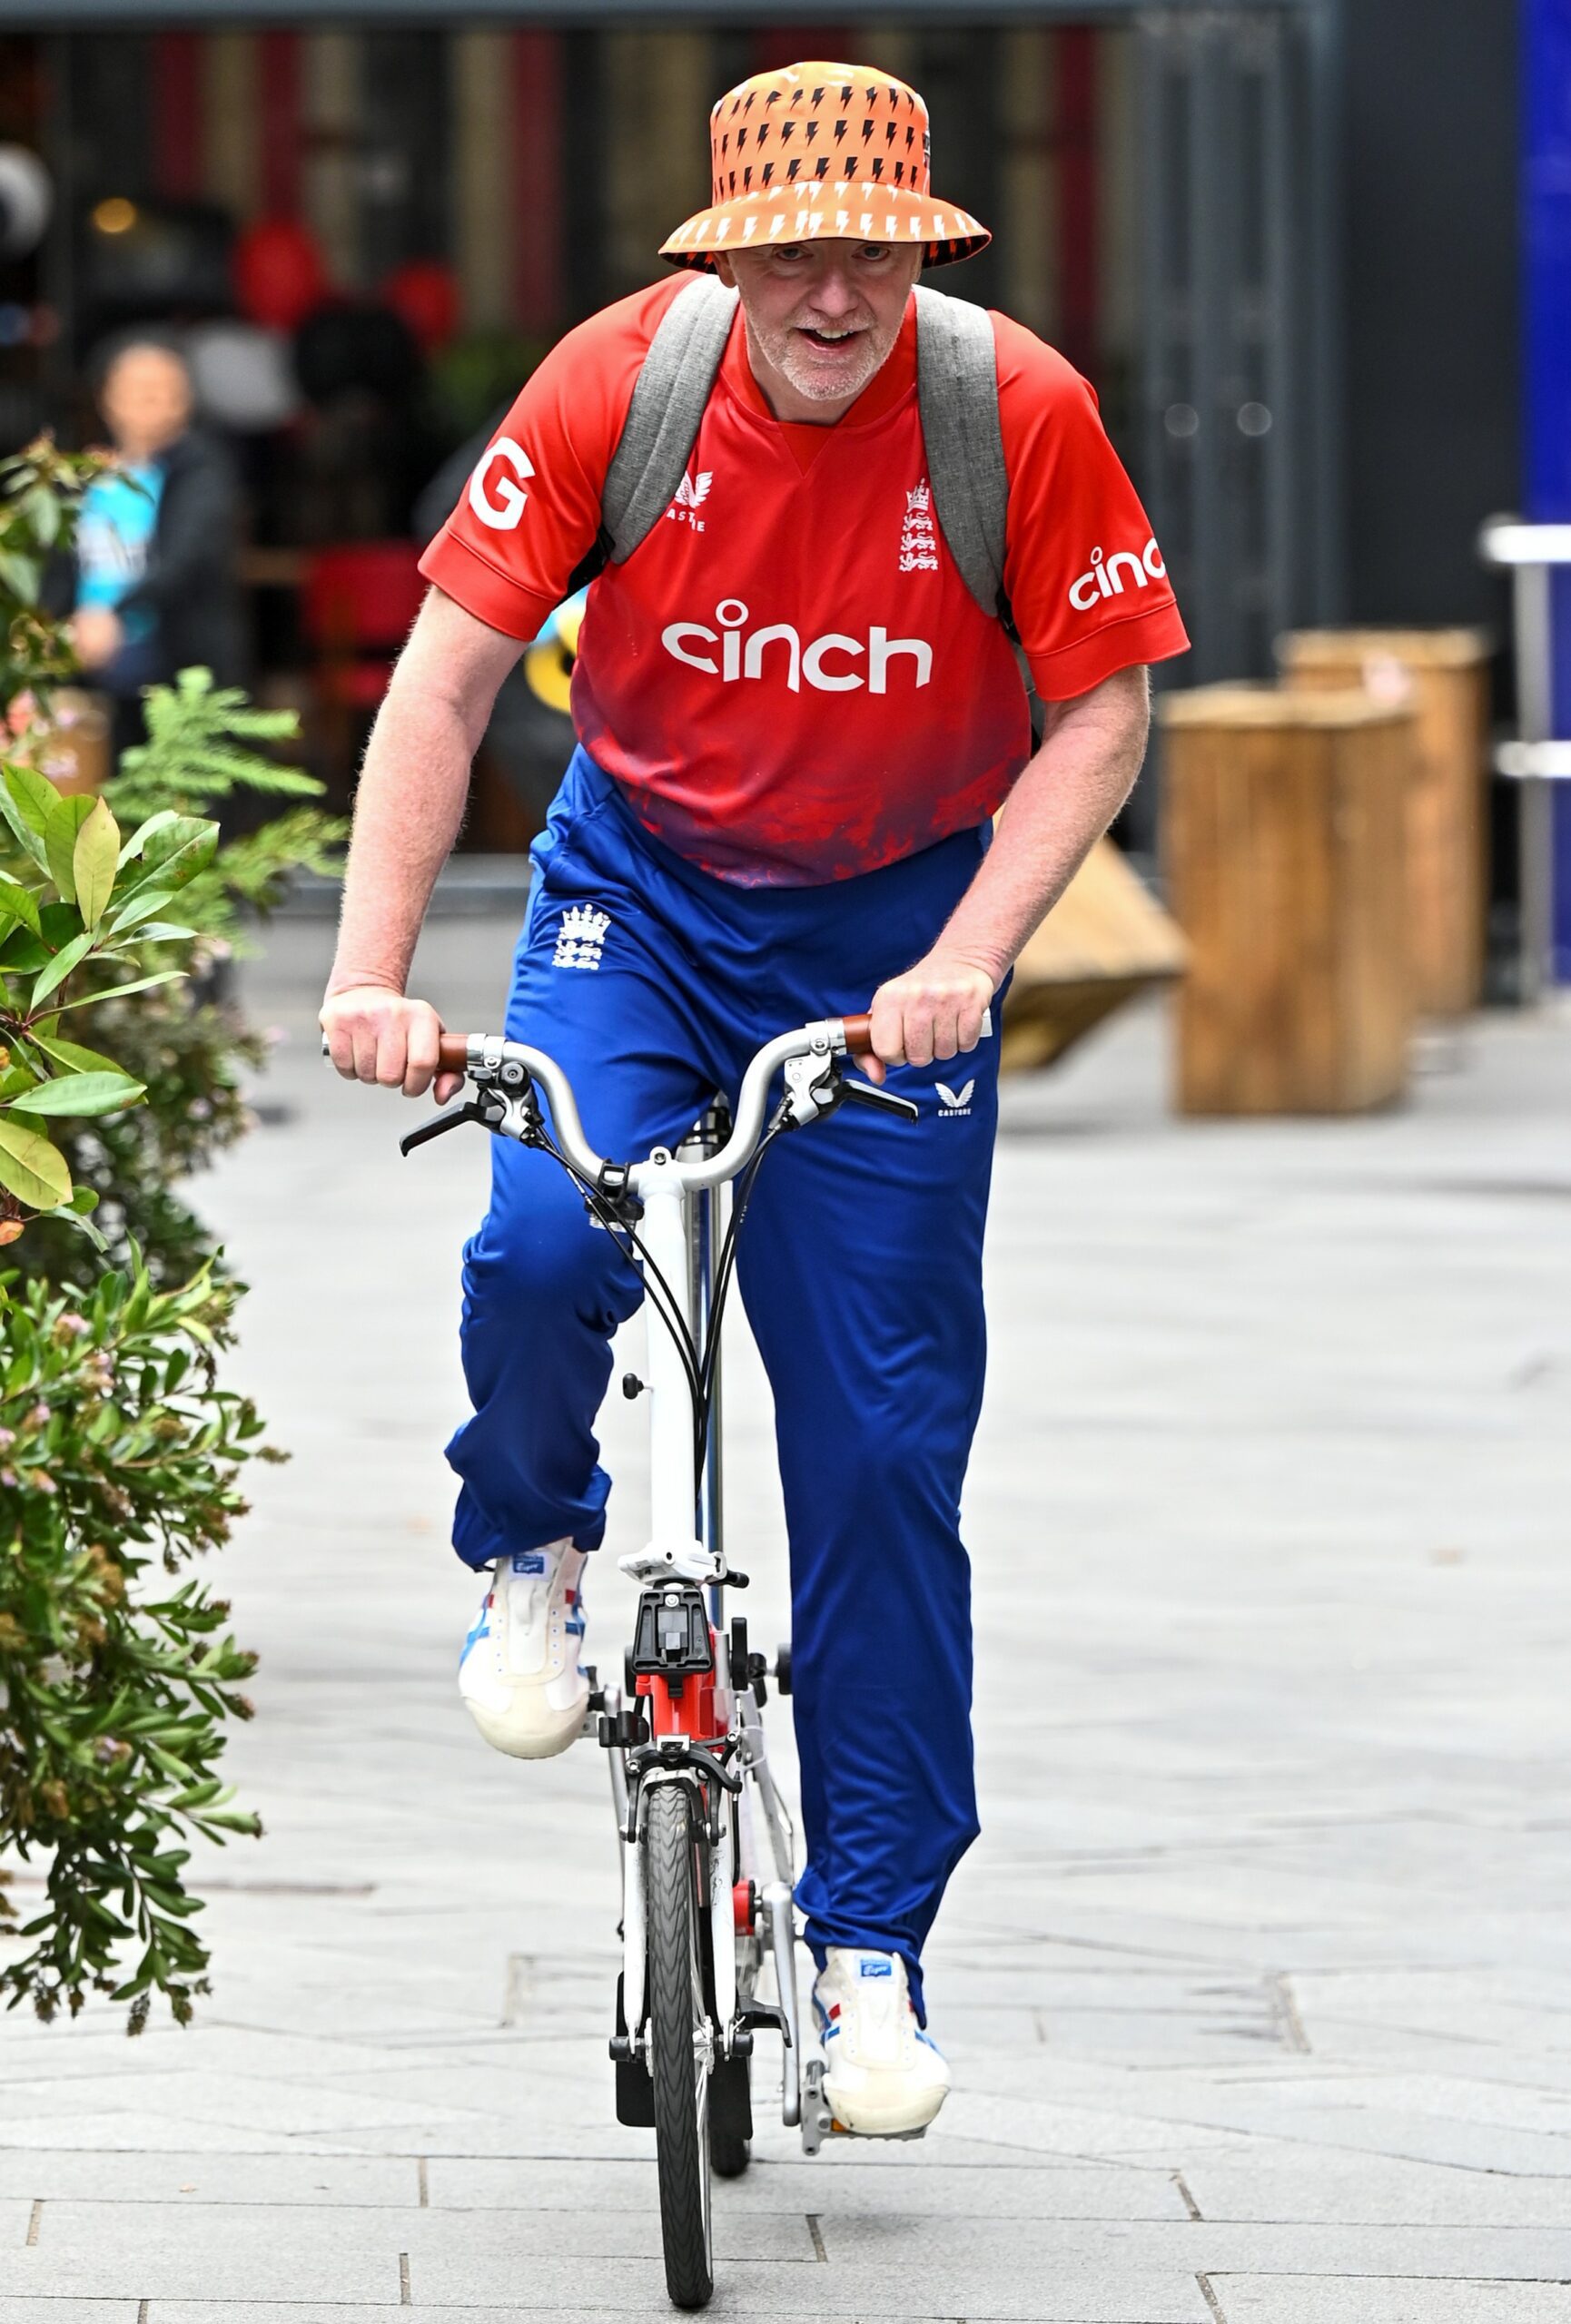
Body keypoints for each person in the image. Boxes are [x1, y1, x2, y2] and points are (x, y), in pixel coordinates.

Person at [321, 60, 1188, 2138]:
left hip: (890, 954)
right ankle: (528, 1542)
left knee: (884, 1449)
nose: (834, 291)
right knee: (540, 1234)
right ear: (725, 257)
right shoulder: (618, 386)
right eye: (793, 251)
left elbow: (1103, 715)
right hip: (640, 901)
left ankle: (869, 1941)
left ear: (917, 248)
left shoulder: (1012, 413)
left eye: (869, 251)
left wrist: (969, 953)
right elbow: (443, 679)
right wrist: (371, 971)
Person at [71, 330, 242, 745]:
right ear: (107, 397)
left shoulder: (202, 470)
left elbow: (184, 560)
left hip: (176, 664)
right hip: (89, 662)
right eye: (142, 391)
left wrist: (112, 613)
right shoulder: (80, 477)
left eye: (170, 391)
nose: (158, 403)